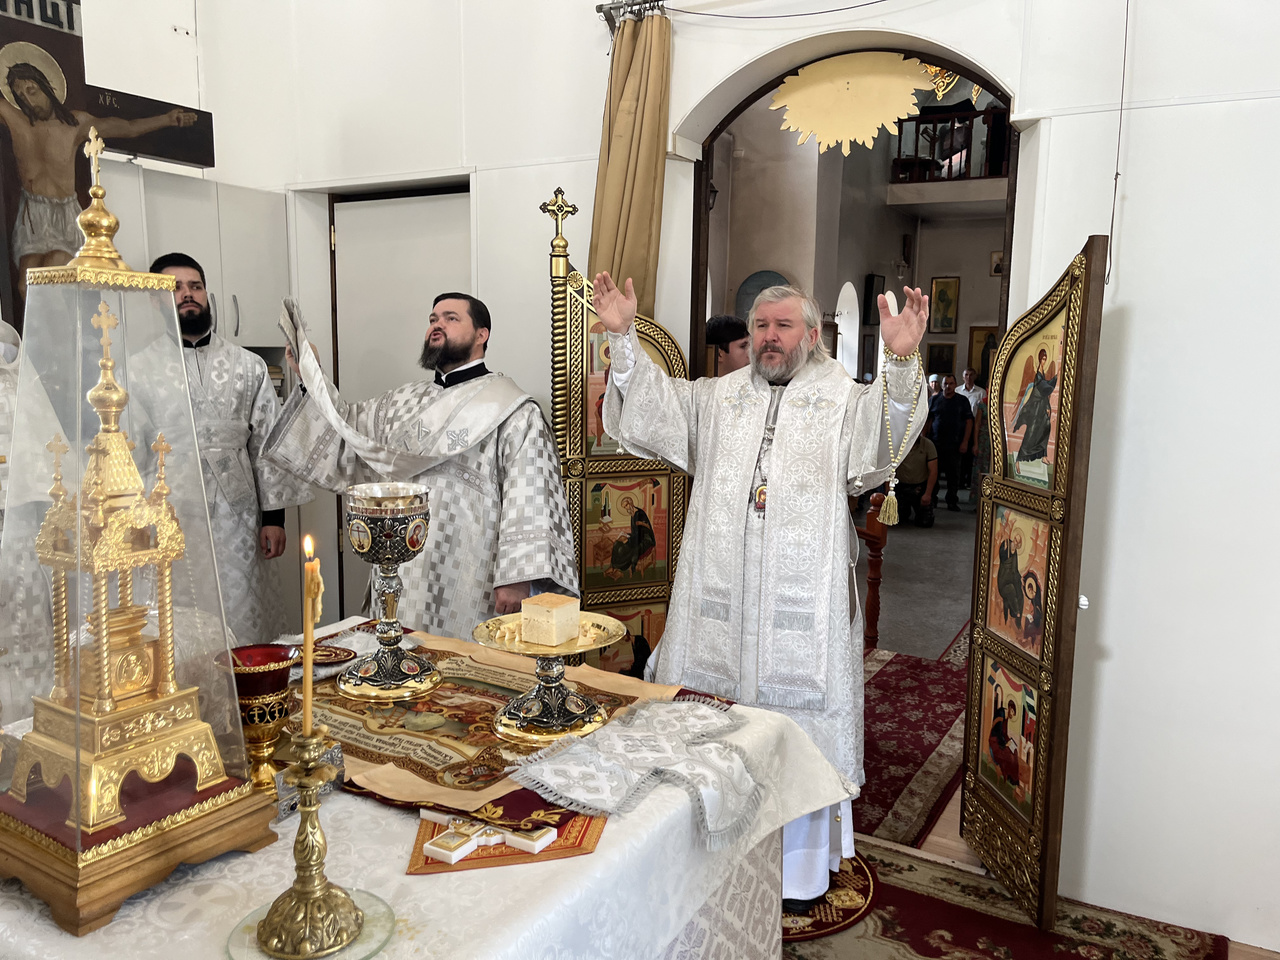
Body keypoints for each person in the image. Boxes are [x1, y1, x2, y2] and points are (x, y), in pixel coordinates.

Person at [593, 270, 928, 910]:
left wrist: (903, 362)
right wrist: (624, 337)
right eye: (761, 327)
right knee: (709, 733)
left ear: (811, 335)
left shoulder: (842, 398)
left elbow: (884, 439)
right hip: (718, 609)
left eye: (783, 326)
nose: (770, 337)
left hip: (800, 607)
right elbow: (653, 406)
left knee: (795, 731)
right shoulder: (718, 397)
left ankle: (796, 876)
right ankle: (709, 859)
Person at [269, 292, 578, 639]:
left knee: (466, 664)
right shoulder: (400, 402)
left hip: (472, 570)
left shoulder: (514, 410)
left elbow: (531, 493)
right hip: (404, 566)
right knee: (401, 656)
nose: (437, 325)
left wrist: (517, 576)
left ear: (482, 334)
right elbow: (346, 433)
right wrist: (311, 375)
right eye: (433, 319)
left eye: (451, 318)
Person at [151, 253, 310, 645]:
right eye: (175, 288)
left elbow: (268, 443)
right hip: (171, 515)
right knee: (181, 620)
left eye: (196, 286)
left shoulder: (249, 365)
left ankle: (253, 679)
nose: (188, 295)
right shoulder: (137, 369)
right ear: (154, 299)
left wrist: (274, 518)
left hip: (238, 517)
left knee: (244, 610)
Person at [1, 49, 196, 303]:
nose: (27, 99)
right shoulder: (15, 119)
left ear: (46, 86)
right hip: (33, 214)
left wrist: (167, 119)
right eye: (20, 95)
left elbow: (128, 128)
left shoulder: (75, 125)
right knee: (25, 286)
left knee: (56, 267)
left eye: (31, 90)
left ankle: (67, 326)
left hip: (64, 213)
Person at [928, 374, 973, 510]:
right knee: (933, 473)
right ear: (942, 385)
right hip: (935, 443)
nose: (948, 386)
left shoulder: (962, 401)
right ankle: (933, 499)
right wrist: (924, 438)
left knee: (953, 475)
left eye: (951, 383)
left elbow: (969, 422)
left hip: (955, 444)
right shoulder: (934, 400)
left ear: (955, 385)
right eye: (945, 384)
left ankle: (952, 500)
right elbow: (928, 420)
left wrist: (965, 441)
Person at [1013, 348, 1058, 462]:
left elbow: (1044, 393)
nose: (1044, 361)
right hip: (1036, 408)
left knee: (1045, 429)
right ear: (1039, 359)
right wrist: (1055, 378)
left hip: (1042, 407)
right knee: (1031, 433)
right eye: (1043, 359)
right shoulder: (1038, 374)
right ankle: (1020, 458)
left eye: (1045, 359)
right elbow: (1043, 389)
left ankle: (1043, 456)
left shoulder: (1042, 373)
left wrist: (1047, 407)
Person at [894, 421, 937, 527]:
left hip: (920, 487)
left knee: (925, 522)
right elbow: (889, 469)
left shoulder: (928, 445)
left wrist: (927, 494)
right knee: (897, 520)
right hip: (900, 486)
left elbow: (933, 471)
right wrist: (888, 492)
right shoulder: (896, 445)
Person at [608, 495, 655, 579]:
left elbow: (644, 531)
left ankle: (621, 567)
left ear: (631, 503)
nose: (626, 508)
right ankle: (612, 566)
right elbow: (635, 532)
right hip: (637, 536)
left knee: (626, 549)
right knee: (617, 543)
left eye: (626, 505)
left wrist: (628, 540)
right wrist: (626, 537)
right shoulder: (632, 514)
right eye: (624, 507)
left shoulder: (640, 513)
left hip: (646, 539)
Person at [955, 367, 985, 484]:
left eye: (971, 375)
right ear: (963, 377)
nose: (968, 377)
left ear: (975, 376)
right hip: (959, 425)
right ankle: (959, 479)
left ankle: (968, 479)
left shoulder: (981, 392)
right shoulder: (957, 390)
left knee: (969, 453)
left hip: (973, 425)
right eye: (966, 375)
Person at [996, 529, 1025, 630]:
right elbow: (1002, 556)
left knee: (1020, 595)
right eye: (1015, 540)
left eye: (1017, 542)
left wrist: (1020, 579)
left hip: (1011, 579)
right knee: (1011, 589)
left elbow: (1015, 570)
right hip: (1003, 582)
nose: (1015, 543)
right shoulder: (1006, 544)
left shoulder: (1015, 552)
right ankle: (1016, 612)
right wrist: (1005, 550)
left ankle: (1018, 620)